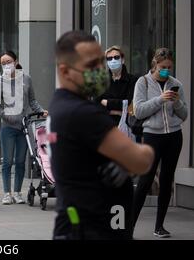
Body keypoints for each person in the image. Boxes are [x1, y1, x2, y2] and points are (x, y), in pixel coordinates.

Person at [49, 31, 154, 240]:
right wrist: (135, 156)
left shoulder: (61, 103)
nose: (99, 69)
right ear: (65, 71)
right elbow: (142, 160)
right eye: (91, 65)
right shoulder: (83, 113)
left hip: (80, 223)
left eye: (100, 62)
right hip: (93, 227)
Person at [131, 48, 188, 238]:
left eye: (170, 67)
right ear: (155, 65)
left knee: (166, 180)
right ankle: (128, 227)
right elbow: (139, 111)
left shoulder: (176, 84)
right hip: (152, 136)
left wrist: (177, 102)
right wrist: (160, 100)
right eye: (163, 67)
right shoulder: (143, 82)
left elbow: (184, 115)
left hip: (174, 136)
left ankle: (159, 226)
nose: (167, 71)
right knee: (145, 180)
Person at [0, 51, 45, 205]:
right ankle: (7, 193)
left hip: (24, 127)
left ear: (15, 61)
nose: (6, 65)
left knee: (21, 161)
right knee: (7, 161)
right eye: (3, 63)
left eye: (8, 61)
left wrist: (41, 110)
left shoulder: (26, 79)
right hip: (8, 127)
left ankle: (17, 192)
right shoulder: (0, 82)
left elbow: (33, 101)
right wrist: (6, 115)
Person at [99, 46, 138, 127]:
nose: (113, 60)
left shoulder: (132, 80)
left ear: (122, 60)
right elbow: (96, 104)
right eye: (109, 58)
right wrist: (117, 112)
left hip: (126, 127)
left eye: (116, 57)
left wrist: (107, 102)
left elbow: (131, 104)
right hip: (105, 125)